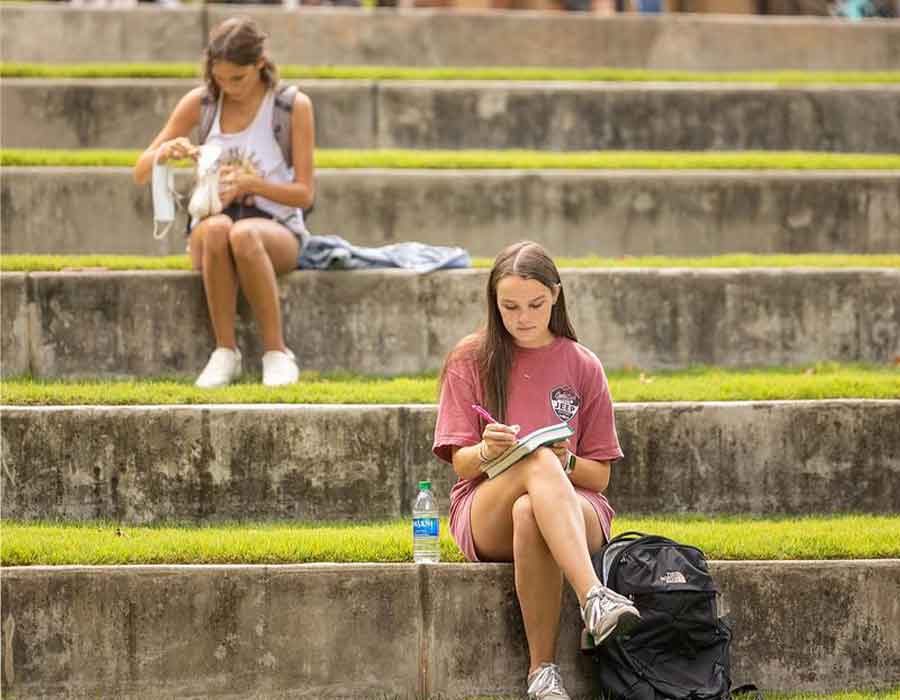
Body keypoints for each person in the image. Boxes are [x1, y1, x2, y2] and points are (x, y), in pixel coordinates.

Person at [432, 241, 640, 700]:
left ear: (556, 297)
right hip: (486, 507)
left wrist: (564, 460)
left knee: (533, 508)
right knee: (534, 462)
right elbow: (460, 464)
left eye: (535, 305)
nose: (522, 317)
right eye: (509, 307)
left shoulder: (583, 364)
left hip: (575, 507)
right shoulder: (469, 359)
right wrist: (487, 450)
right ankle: (595, 598)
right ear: (494, 304)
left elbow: (600, 476)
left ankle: (541, 674)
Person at [134, 16, 314, 387]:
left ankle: (276, 352)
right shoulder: (200, 103)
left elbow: (304, 193)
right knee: (219, 229)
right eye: (220, 78)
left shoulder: (291, 106)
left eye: (238, 79)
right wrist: (165, 153)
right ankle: (224, 351)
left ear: (260, 63)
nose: (228, 88)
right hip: (211, 225)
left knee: (244, 234)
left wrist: (253, 184)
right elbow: (140, 171)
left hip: (274, 227)